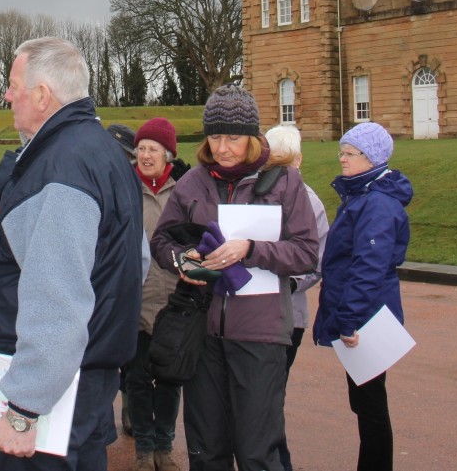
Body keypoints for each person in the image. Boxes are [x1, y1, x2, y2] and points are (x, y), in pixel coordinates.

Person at [0, 37, 144, 471]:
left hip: (52, 393)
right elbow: (134, 263)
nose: (6, 95)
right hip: (83, 378)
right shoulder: (100, 151)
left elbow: (58, 299)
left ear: (43, 95)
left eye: (13, 85)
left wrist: (24, 410)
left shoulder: (61, 167)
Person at [150, 84, 319, 471]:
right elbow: (162, 240)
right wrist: (183, 262)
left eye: (233, 137)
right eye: (214, 136)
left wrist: (251, 249)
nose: (222, 147)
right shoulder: (192, 181)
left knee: (257, 452)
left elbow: (308, 253)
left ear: (252, 138)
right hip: (202, 333)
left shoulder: (284, 182)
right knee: (206, 452)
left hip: (260, 335)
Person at [313, 122, 411, 471]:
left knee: (369, 405)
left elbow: (368, 266)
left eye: (349, 153)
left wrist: (349, 319)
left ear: (371, 159)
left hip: (366, 317)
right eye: (342, 151)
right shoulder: (365, 197)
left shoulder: (376, 204)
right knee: (366, 402)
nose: (342, 158)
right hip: (363, 311)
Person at [263, 125, 328, 471]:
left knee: (270, 398)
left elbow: (315, 262)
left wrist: (286, 285)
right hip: (254, 313)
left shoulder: (310, 200)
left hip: (289, 315)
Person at [126, 117, 188, 471]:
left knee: (168, 379)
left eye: (153, 149)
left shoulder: (182, 192)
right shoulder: (125, 188)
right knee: (136, 380)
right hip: (134, 301)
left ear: (168, 154)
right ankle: (143, 449)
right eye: (141, 149)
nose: (146, 155)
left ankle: (164, 446)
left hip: (170, 303)